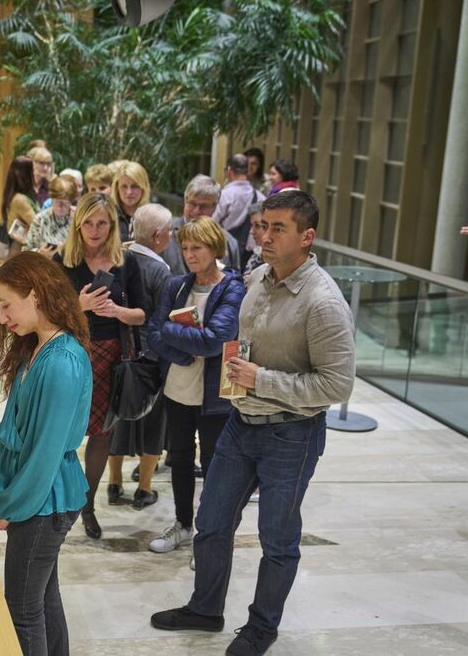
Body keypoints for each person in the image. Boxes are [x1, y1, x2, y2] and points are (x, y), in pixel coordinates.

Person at [151, 190, 355, 656]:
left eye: (278, 228)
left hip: (292, 431)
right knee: (211, 522)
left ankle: (261, 628)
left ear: (307, 237)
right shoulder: (258, 277)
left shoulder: (322, 301)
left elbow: (337, 385)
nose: (264, 235)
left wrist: (262, 380)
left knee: (277, 539)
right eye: (263, 225)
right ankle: (205, 609)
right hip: (242, 422)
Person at [0, 251, 92, 656]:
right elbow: (12, 435)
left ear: (36, 294)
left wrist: (9, 504)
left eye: (6, 304)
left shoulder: (62, 361)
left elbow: (43, 454)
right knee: (43, 599)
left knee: (23, 609)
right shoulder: (35, 348)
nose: (3, 316)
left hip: (44, 502)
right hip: (34, 497)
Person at [146, 216, 245, 559]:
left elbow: (215, 341)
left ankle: (210, 538)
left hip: (215, 394)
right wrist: (187, 355)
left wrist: (179, 337)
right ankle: (183, 525)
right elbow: (154, 334)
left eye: (196, 247)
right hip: (179, 387)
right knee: (181, 459)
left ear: (214, 248)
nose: (189, 254)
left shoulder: (232, 287)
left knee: (215, 465)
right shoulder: (176, 286)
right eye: (185, 248)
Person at [57, 192, 146, 540]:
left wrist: (117, 312)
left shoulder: (127, 263)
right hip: (70, 353)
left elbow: (142, 313)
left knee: (101, 435)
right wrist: (79, 306)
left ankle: (87, 504)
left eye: (102, 223)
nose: (95, 230)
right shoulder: (62, 262)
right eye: (89, 222)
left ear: (112, 227)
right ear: (78, 224)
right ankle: (56, 502)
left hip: (111, 355)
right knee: (62, 432)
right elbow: (45, 316)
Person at [111, 203, 174, 508]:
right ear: (159, 235)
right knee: (155, 422)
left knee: (117, 418)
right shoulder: (161, 270)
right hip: (150, 356)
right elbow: (163, 319)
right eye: (171, 231)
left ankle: (113, 484)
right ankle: (144, 488)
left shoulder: (116, 258)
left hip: (118, 352)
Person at [162, 175, 242, 274]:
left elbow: (235, 281)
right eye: (192, 203)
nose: (196, 211)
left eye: (204, 206)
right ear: (185, 200)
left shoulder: (228, 242)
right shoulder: (165, 233)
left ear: (215, 207)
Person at [213, 153, 259, 253]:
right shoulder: (260, 196)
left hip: (226, 249)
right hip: (251, 253)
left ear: (229, 171)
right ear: (248, 171)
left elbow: (212, 223)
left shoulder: (224, 196)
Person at [24, 175, 77, 257]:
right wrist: (39, 252)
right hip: (44, 265)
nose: (60, 207)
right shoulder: (40, 219)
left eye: (64, 203)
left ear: (71, 200)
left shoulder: (79, 218)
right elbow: (26, 250)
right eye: (56, 202)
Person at [0, 156, 39, 258]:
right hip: (21, 251)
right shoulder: (20, 200)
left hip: (21, 250)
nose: (36, 173)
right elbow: (38, 223)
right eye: (33, 170)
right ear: (26, 174)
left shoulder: (15, 196)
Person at [243, 204, 266, 277]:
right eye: (252, 225)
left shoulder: (278, 260)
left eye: (257, 225)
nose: (251, 231)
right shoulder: (256, 255)